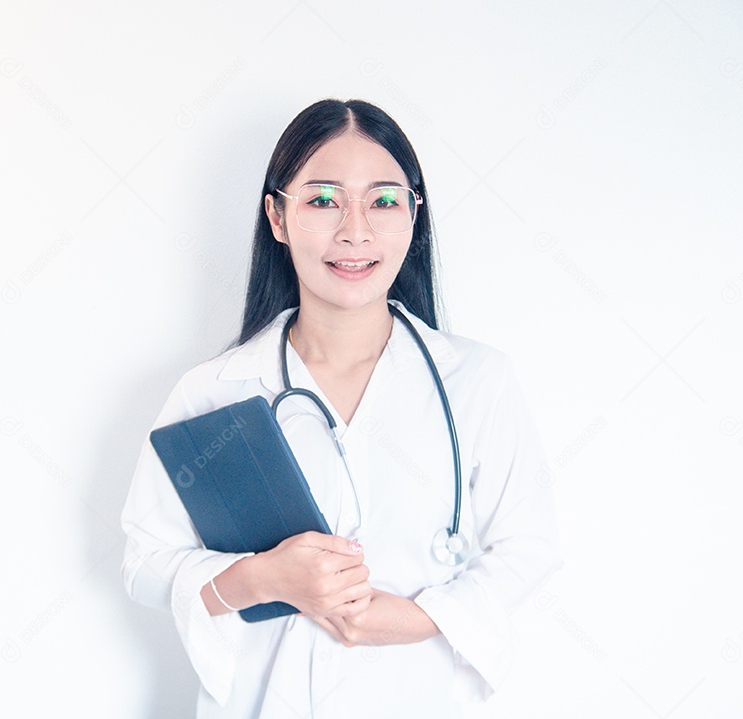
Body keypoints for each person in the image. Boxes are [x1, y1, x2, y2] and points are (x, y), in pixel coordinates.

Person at [120, 98, 563, 717]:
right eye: (324, 199)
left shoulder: (477, 381)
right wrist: (266, 579)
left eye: (383, 201)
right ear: (277, 216)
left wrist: (417, 619)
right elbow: (144, 563)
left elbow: (529, 546)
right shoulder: (215, 389)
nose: (355, 231)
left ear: (414, 214)